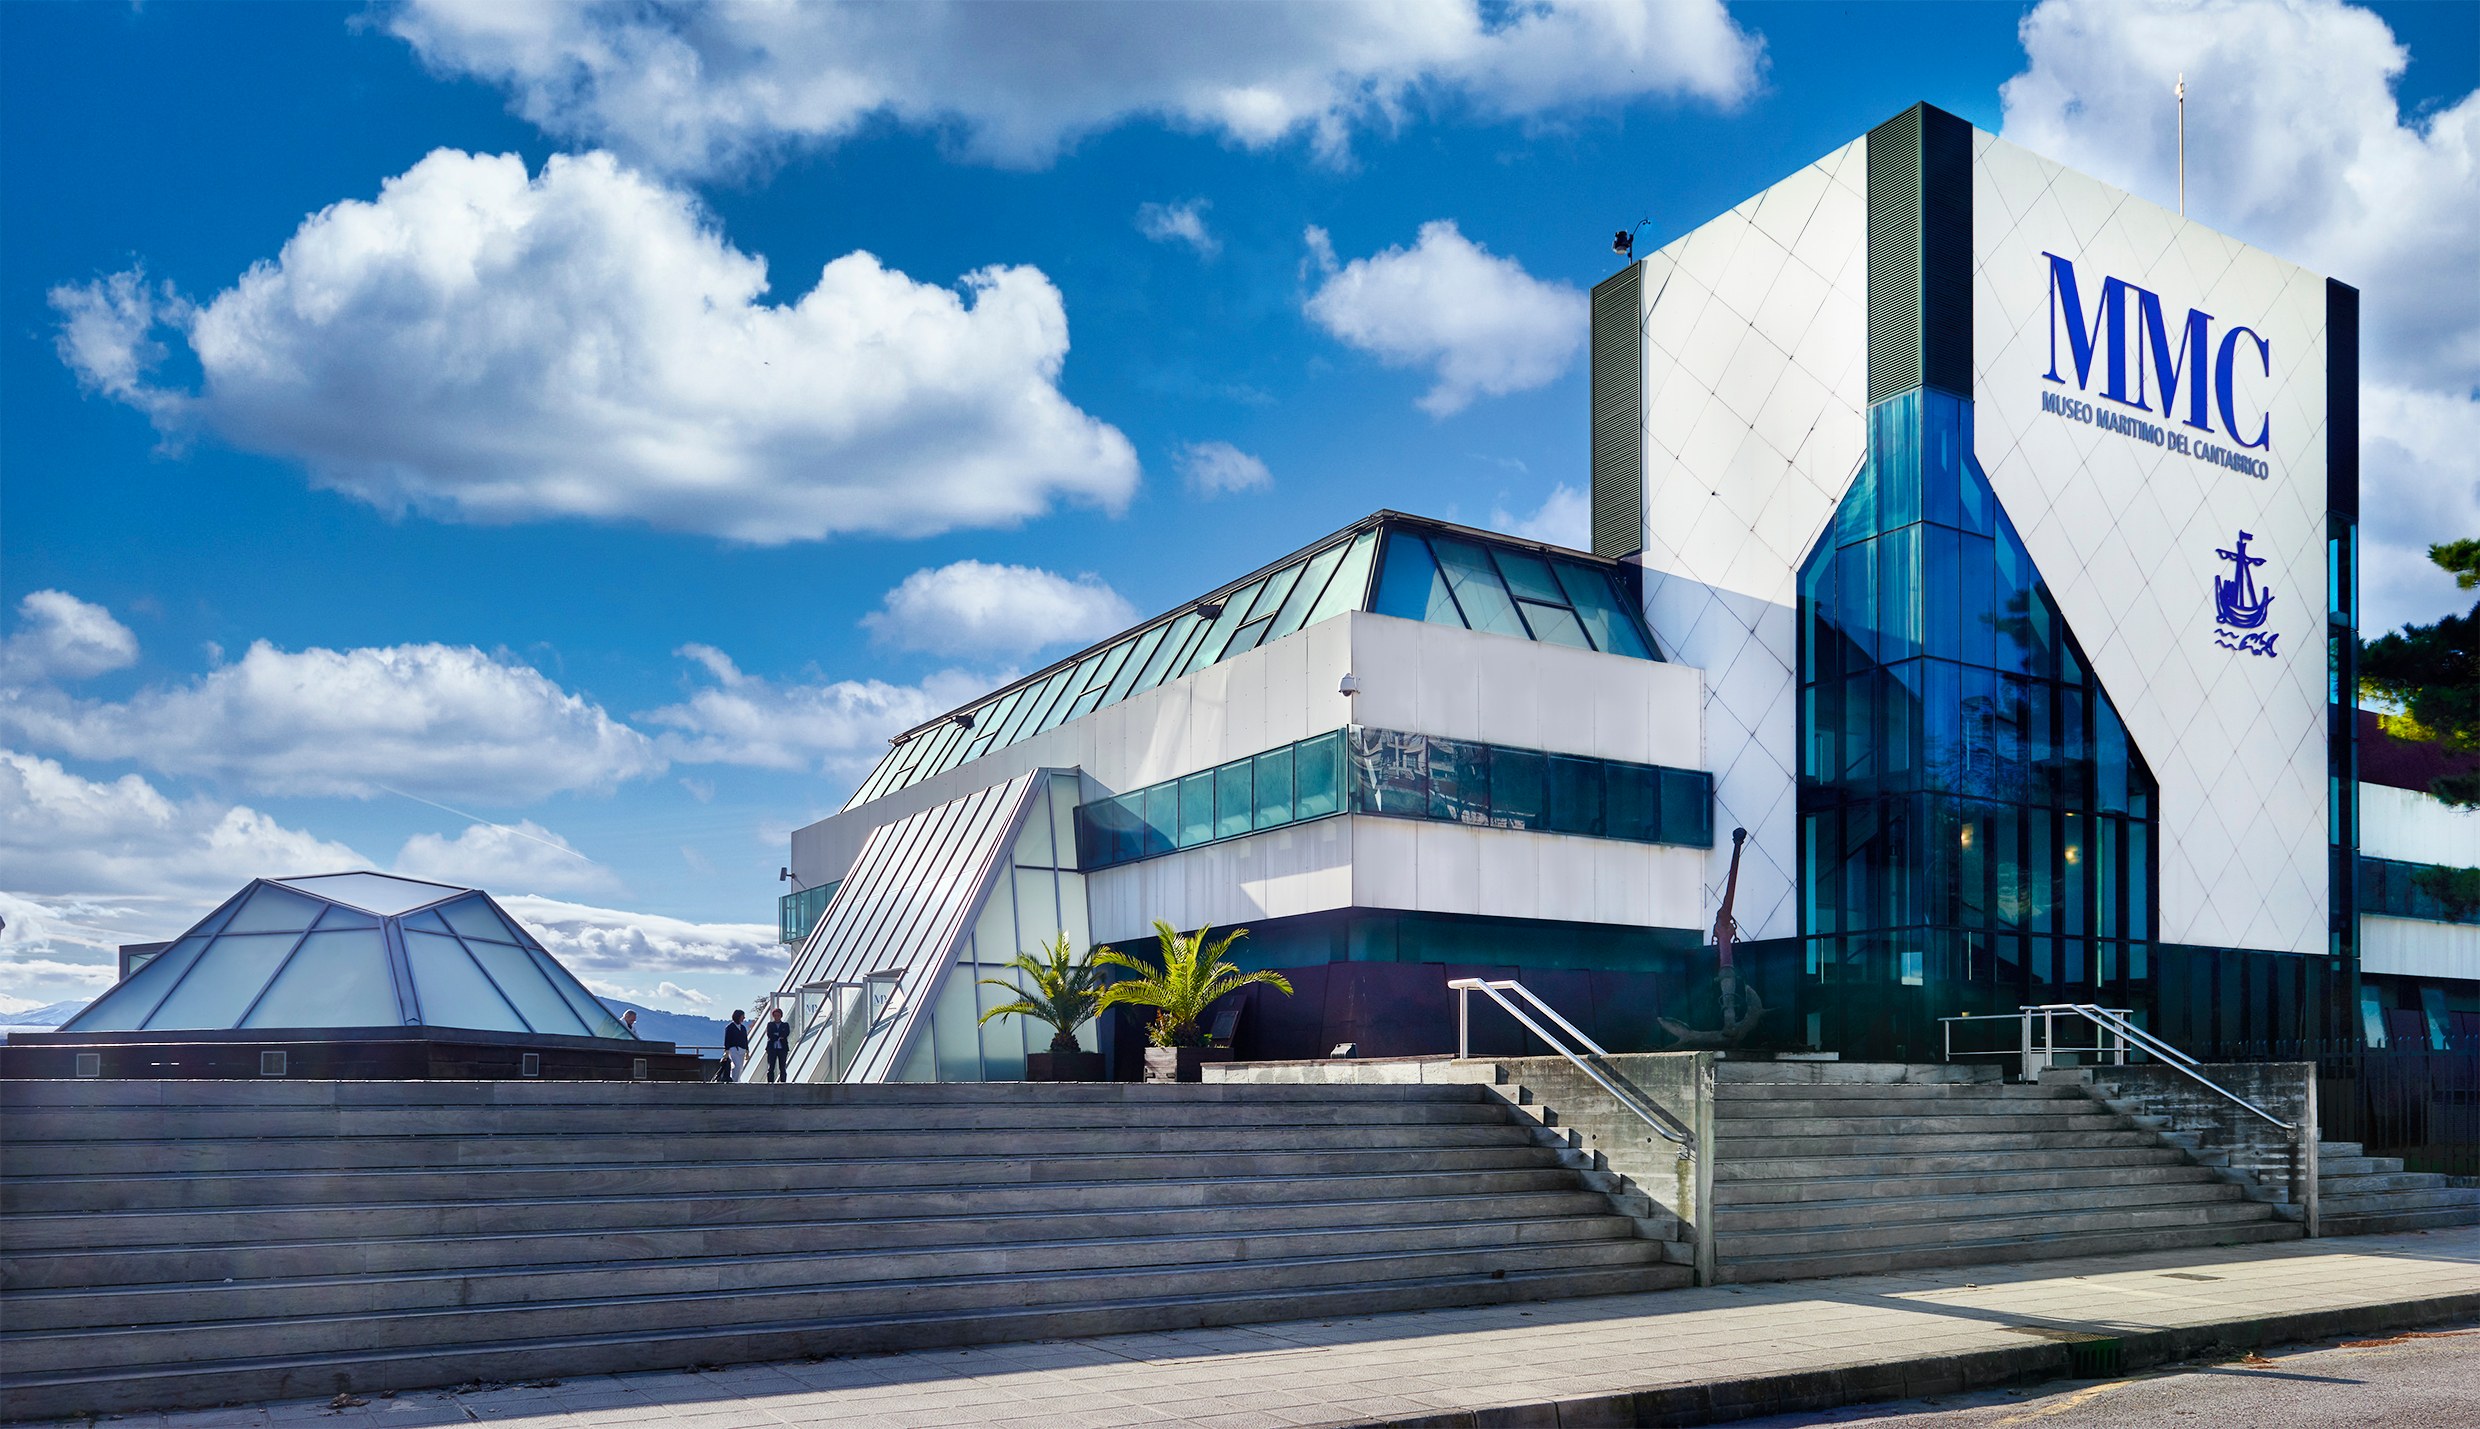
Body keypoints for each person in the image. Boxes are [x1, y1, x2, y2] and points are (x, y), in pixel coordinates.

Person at [763, 1007, 791, 1083]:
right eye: (775, 1015)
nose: (776, 1017)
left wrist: (777, 1035)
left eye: (778, 1015)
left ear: (781, 1016)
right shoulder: (770, 1024)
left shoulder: (785, 1025)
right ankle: (770, 1082)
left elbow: (786, 1034)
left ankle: (783, 1082)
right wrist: (779, 1036)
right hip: (772, 1048)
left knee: (782, 1067)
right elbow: (770, 1035)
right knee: (771, 1066)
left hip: (782, 1048)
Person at [722, 1010, 749, 1082]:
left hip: (742, 1049)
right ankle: (734, 1080)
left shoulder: (743, 1028)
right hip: (733, 1049)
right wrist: (726, 1050)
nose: (744, 1018)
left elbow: (745, 1039)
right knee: (737, 1065)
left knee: (740, 1067)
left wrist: (747, 1050)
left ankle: (737, 1080)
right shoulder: (730, 1027)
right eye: (742, 1016)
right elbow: (727, 1038)